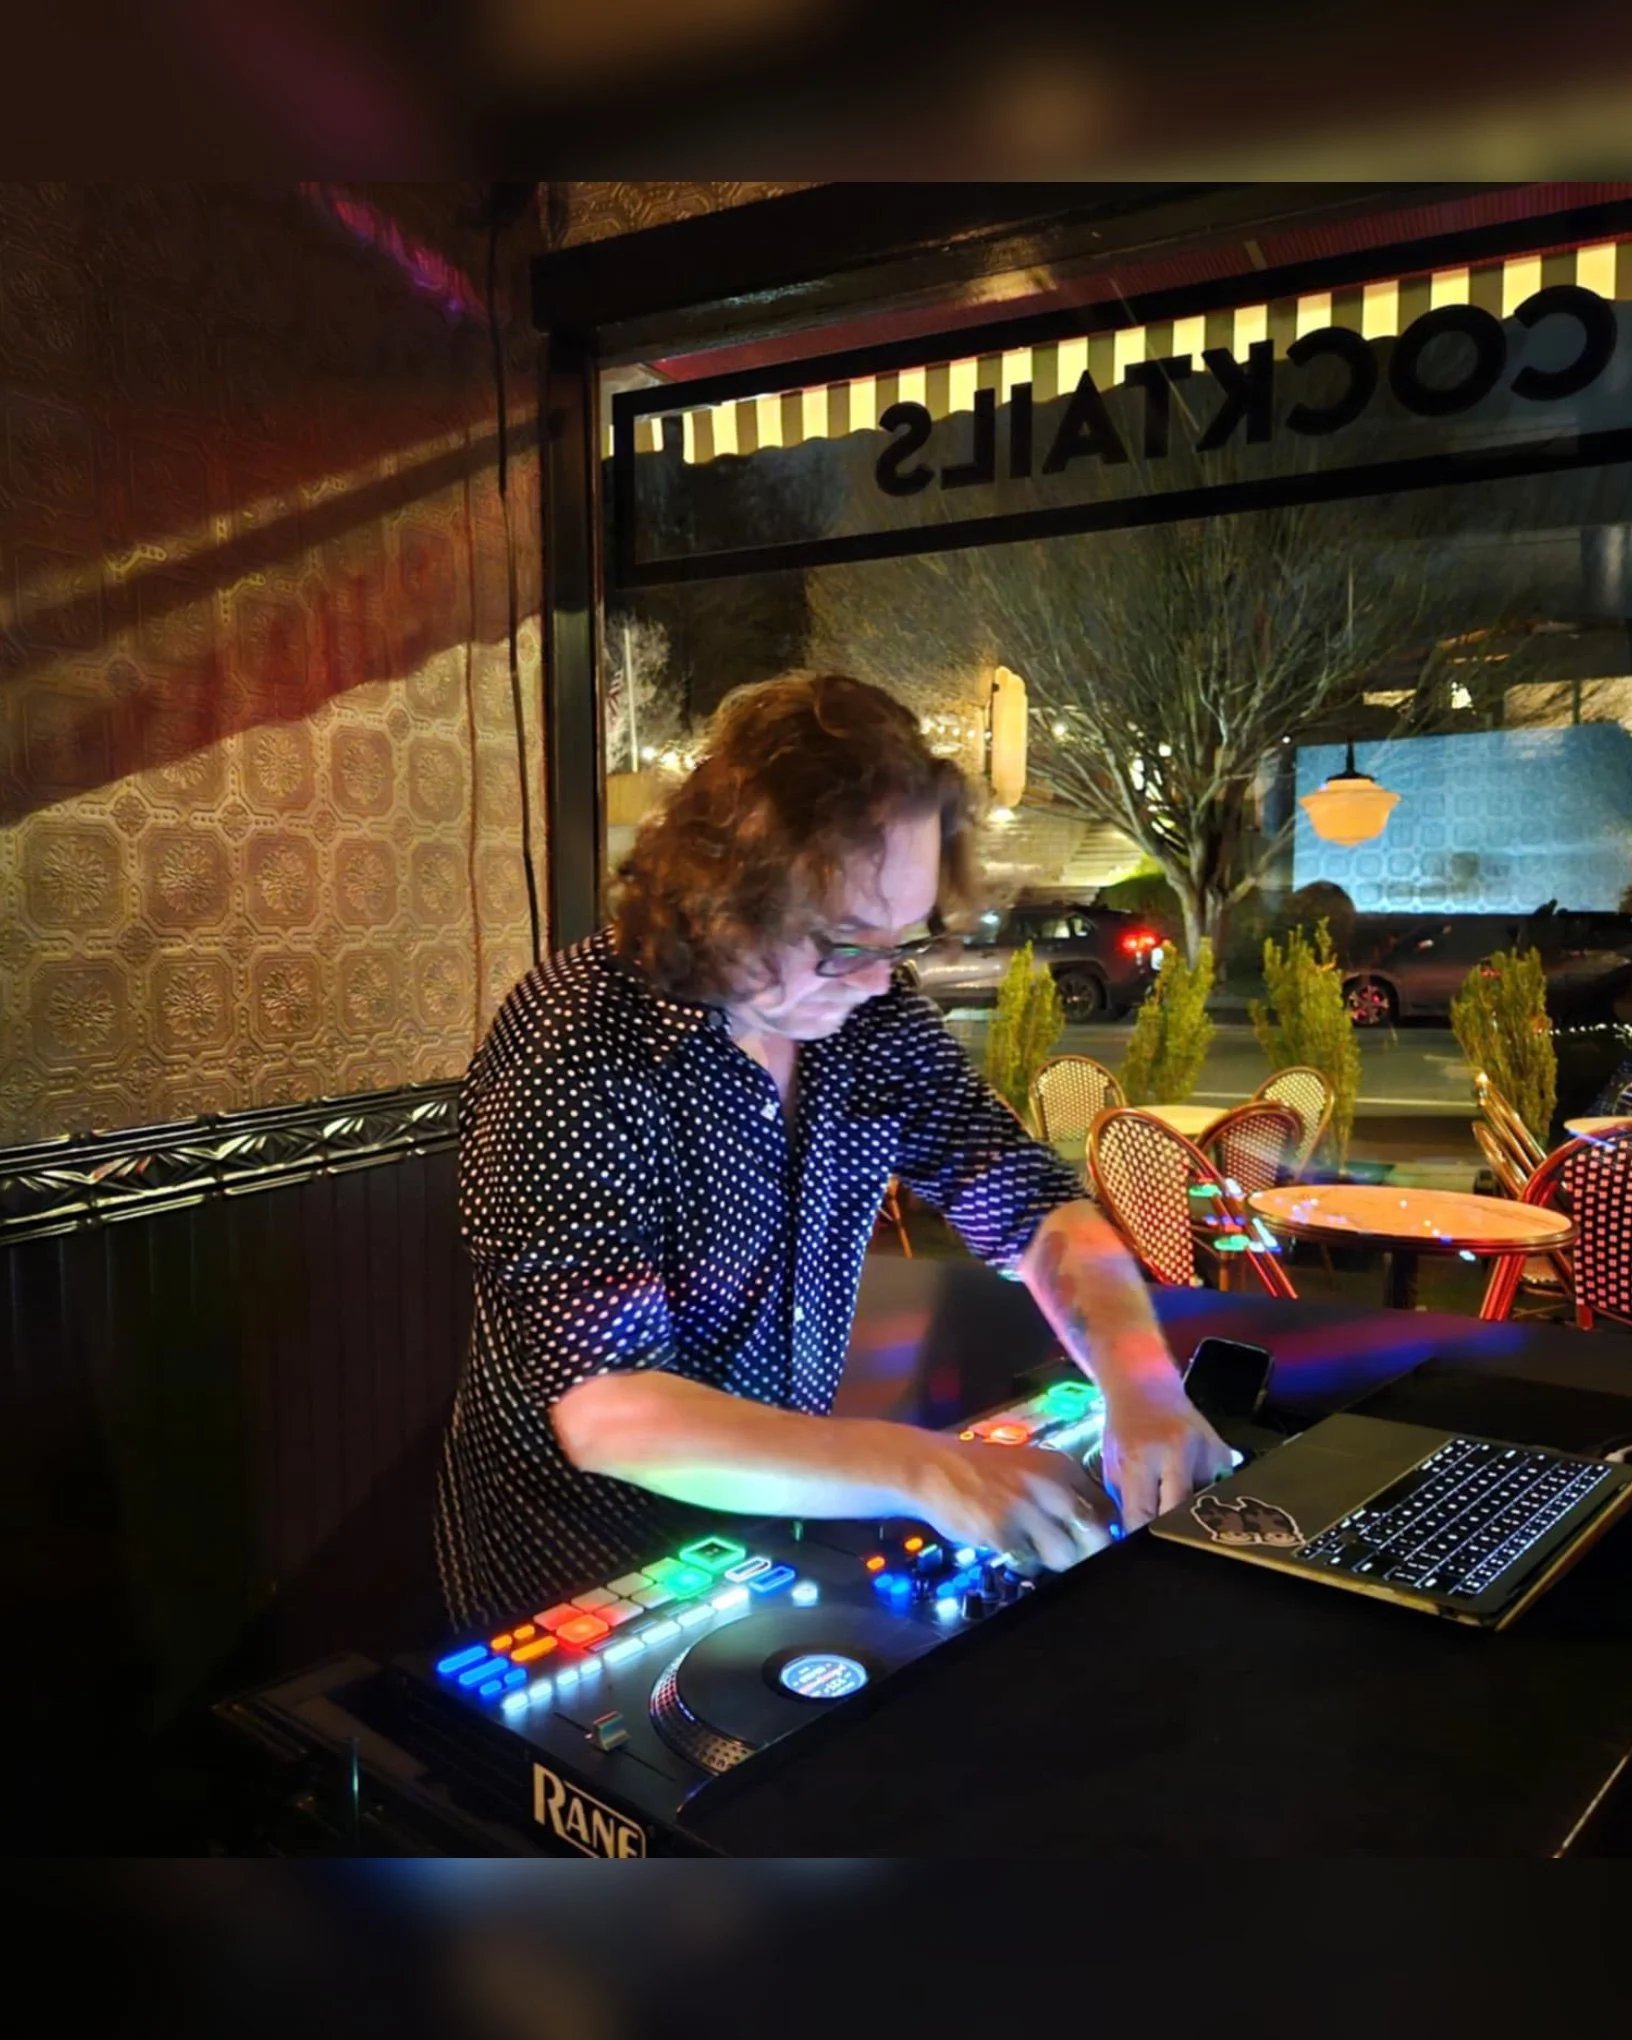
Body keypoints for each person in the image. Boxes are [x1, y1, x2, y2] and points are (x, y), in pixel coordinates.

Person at [435, 673, 1231, 1627]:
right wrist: (928, 1469)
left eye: (902, 942)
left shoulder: (873, 1018)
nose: (875, 980)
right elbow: (611, 1410)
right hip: (576, 1569)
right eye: (843, 942)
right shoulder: (578, 1037)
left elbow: (1036, 1209)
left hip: (773, 1538)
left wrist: (1142, 1386)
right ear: (724, 890)